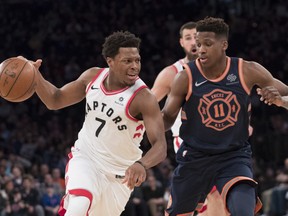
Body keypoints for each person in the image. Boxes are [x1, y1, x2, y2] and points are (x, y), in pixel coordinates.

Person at [28, 31, 167, 215]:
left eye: (137, 60)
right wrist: (34, 75)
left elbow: (160, 146)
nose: (135, 66)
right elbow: (55, 100)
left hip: (120, 176)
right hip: (86, 158)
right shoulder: (92, 77)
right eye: (127, 61)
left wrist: (142, 164)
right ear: (110, 61)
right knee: (79, 204)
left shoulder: (143, 97)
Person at [161, 16, 288, 216]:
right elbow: (167, 117)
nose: (201, 49)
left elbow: (285, 92)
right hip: (195, 157)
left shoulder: (247, 70)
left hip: (233, 156)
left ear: (224, 44)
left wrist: (280, 100)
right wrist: (146, 123)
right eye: (199, 44)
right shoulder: (185, 76)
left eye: (208, 44)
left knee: (242, 210)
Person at [151, 21, 227, 215]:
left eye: (197, 37)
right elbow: (147, 105)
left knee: (209, 196)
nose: (194, 41)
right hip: (189, 141)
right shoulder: (171, 73)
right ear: (181, 43)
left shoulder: (221, 69)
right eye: (188, 38)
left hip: (221, 139)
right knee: (212, 192)